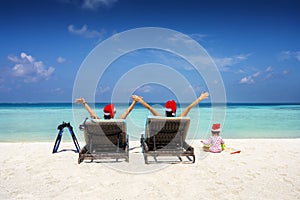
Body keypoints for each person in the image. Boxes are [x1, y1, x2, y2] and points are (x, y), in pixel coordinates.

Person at [131, 92, 209, 117]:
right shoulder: (179, 119)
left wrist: (140, 100)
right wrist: (200, 98)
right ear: (175, 110)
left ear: (165, 110)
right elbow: (189, 108)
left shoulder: (161, 118)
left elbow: (149, 108)